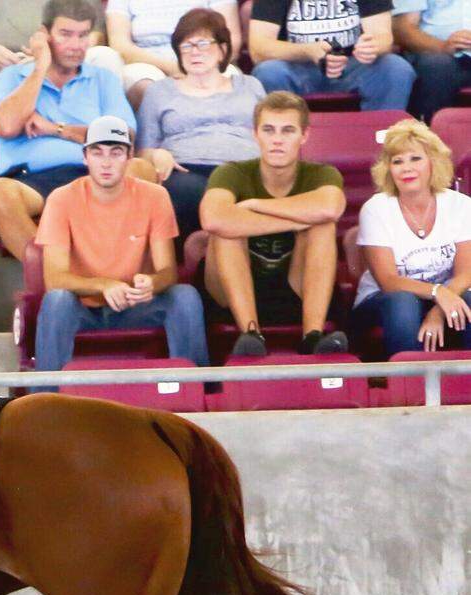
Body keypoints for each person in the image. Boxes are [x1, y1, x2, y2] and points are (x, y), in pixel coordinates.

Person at [34, 114, 210, 369]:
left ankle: (196, 394)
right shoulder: (61, 199)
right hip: (84, 308)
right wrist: (104, 285)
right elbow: (54, 279)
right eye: (97, 153)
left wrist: (150, 283)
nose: (106, 163)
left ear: (129, 158)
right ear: (85, 157)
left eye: (116, 153)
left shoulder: (155, 196)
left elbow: (168, 272)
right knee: (57, 301)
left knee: (184, 296)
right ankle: (44, 399)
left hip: (136, 305)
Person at [0, 0, 141, 261]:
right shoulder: (14, 76)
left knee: (140, 170)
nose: (76, 45)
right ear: (45, 35)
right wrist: (40, 66)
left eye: (83, 35)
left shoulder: (102, 78)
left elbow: (126, 137)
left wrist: (56, 128)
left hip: (94, 173)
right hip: (32, 181)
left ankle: (114, 265)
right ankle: (52, 273)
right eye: (66, 34)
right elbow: (7, 126)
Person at [0, 0, 122, 215]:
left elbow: (96, 34)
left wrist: (51, 53)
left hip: (62, 65)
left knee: (106, 55)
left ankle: (115, 158)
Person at [199, 90, 348, 356]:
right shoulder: (232, 172)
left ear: (304, 135)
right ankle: (251, 334)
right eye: (269, 130)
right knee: (224, 232)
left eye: (287, 131)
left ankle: (313, 336)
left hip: (294, 287)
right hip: (233, 290)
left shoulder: (321, 173)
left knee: (322, 225)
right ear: (255, 134)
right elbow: (213, 218)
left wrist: (255, 206)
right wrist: (295, 218)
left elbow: (330, 208)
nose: (277, 140)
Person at [137, 7, 264, 237]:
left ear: (222, 50)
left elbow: (269, 132)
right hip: (187, 170)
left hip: (244, 168)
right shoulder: (159, 91)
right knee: (186, 193)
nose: (194, 52)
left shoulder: (250, 85)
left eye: (203, 44)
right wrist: (156, 155)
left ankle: (209, 251)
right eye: (186, 46)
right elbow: (143, 150)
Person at [352, 118, 471, 355]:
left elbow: (467, 272)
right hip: (383, 300)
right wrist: (439, 293)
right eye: (397, 161)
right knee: (403, 302)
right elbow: (389, 281)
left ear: (433, 163)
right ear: (388, 169)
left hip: (443, 296)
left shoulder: (461, 205)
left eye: (415, 158)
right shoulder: (376, 209)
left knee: (468, 300)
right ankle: (407, 387)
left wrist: (437, 309)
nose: (406, 168)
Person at [249, 0, 415, 111]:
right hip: (297, 67)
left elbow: (383, 37)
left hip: (355, 66)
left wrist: (372, 47)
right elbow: (258, 49)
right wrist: (307, 51)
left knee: (396, 68)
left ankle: (385, 143)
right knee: (269, 71)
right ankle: (286, 146)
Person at [106, 0, 241, 109]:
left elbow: (231, 41)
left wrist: (196, 64)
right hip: (146, 61)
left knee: (230, 78)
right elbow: (120, 45)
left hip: (203, 55)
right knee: (147, 88)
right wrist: (173, 67)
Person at [393, 0, 471, 122]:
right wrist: (442, 47)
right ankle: (428, 134)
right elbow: (403, 29)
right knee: (436, 65)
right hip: (437, 55)